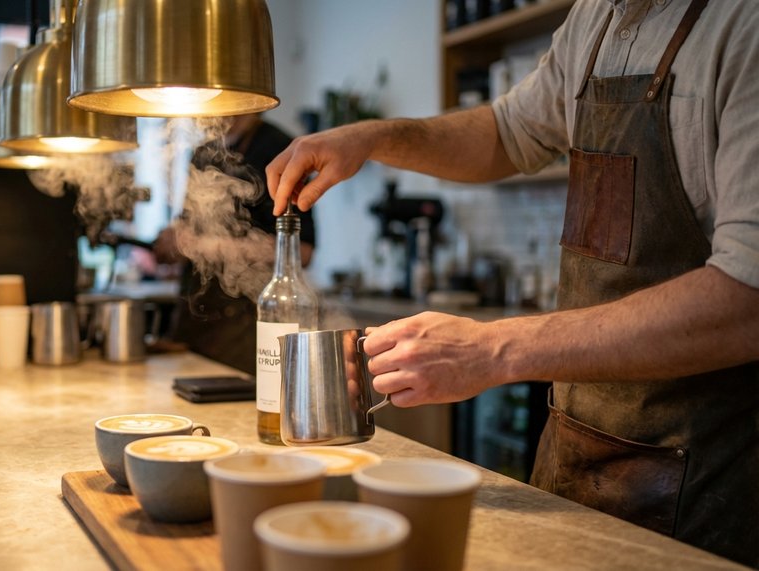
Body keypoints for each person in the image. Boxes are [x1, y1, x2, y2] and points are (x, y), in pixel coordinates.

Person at [265, 0, 757, 566]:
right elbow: (504, 133)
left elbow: (747, 298)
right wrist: (371, 139)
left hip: (707, 478)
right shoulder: (594, 19)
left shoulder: (742, 24)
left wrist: (494, 348)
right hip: (576, 450)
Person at [154, 114, 316, 373]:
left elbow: (303, 251)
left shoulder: (281, 151)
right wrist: (173, 242)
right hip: (193, 322)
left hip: (247, 328)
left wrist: (205, 245)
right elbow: (187, 231)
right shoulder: (203, 152)